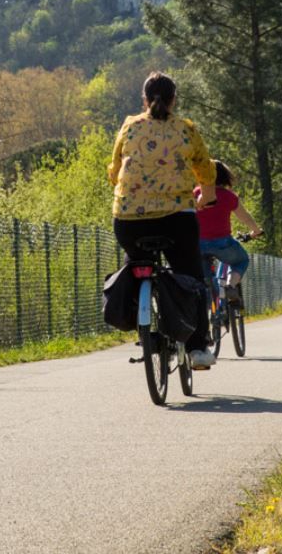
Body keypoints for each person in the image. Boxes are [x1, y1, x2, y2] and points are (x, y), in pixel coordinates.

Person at [108, 72, 219, 369]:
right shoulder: (185, 129)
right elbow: (206, 169)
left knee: (136, 264)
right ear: (174, 100)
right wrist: (206, 196)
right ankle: (197, 349)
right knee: (192, 276)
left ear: (144, 100)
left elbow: (114, 169)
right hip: (176, 218)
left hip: (129, 220)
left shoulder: (130, 126)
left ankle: (142, 326)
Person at [195, 160, 262, 291]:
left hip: (198, 244)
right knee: (241, 261)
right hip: (223, 243)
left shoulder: (196, 193)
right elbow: (245, 218)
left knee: (203, 280)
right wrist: (256, 231)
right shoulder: (229, 196)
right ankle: (230, 287)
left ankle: (206, 306)